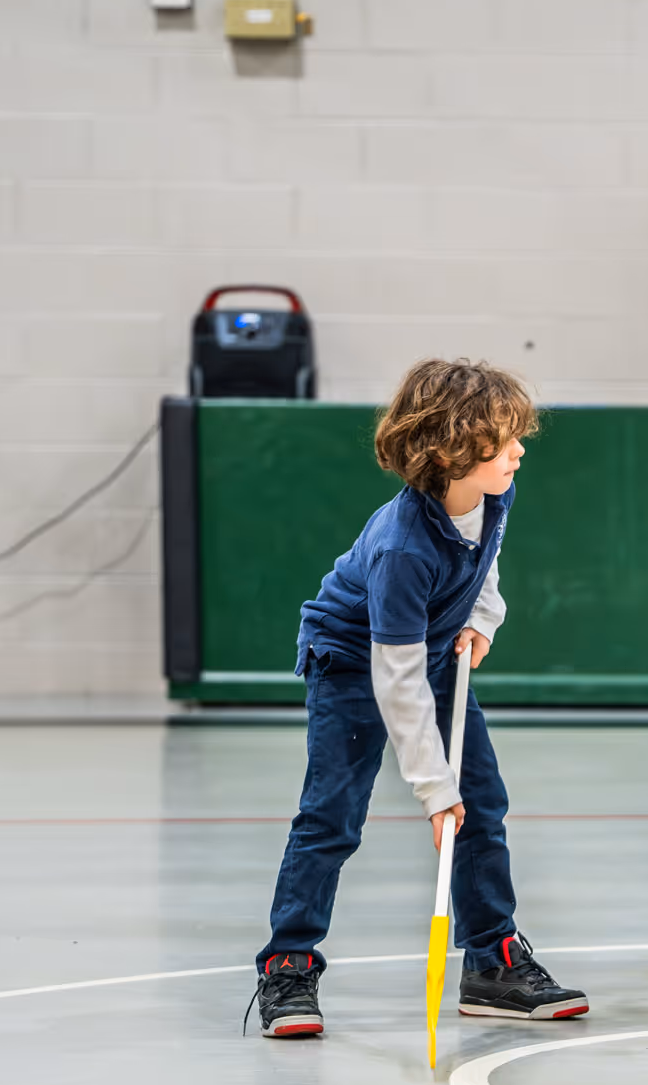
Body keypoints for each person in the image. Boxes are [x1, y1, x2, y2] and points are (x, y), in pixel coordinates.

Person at [248, 358, 589, 1037]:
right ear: (450, 450)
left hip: (431, 646)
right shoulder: (403, 549)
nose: (520, 449)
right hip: (352, 659)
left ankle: (492, 960)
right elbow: (396, 679)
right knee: (333, 815)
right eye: (503, 438)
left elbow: (487, 563)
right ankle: (288, 962)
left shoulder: (495, 494)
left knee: (482, 804)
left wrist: (480, 619)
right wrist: (433, 788)